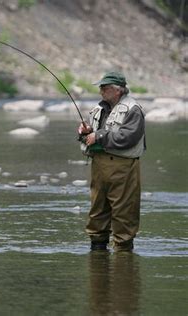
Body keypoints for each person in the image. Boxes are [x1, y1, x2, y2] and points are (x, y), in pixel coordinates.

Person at [78, 71, 146, 252]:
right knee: (97, 211)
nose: (101, 91)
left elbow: (128, 138)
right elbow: (93, 133)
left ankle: (123, 257)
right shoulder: (100, 108)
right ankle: (97, 251)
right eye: (100, 88)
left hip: (123, 166)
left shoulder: (133, 109)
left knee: (124, 212)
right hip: (99, 165)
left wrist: (98, 136)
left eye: (105, 88)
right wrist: (85, 132)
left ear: (118, 90)